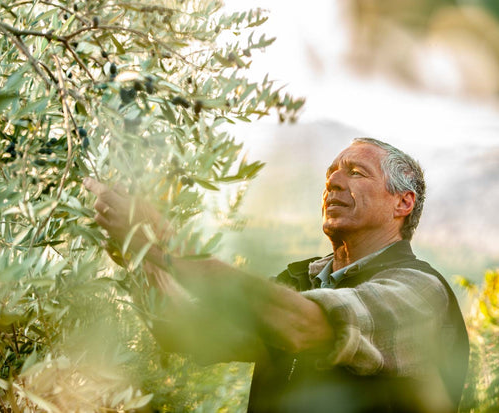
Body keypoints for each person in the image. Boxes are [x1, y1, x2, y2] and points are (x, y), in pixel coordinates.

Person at [84, 137, 469, 413]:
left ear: (403, 202)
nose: (333, 181)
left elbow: (305, 324)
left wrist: (169, 245)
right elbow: (187, 331)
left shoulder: (419, 291)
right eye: (332, 172)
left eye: (356, 172)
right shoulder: (300, 279)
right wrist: (140, 250)